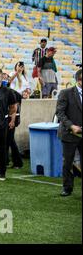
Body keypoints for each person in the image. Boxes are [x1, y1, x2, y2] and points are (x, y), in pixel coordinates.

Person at [55, 69, 82, 197]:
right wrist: (72, 126)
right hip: (69, 134)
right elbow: (60, 113)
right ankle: (67, 188)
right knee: (68, 162)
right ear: (79, 80)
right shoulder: (66, 93)